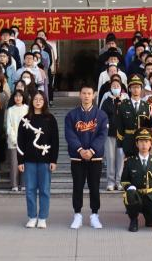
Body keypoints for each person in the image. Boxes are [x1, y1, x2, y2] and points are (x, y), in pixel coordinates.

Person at [65, 84, 108, 230]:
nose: (86, 96)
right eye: (84, 93)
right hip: (77, 157)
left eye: (89, 93)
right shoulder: (71, 115)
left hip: (95, 157)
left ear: (94, 95)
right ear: (80, 95)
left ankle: (94, 215)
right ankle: (77, 215)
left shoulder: (101, 115)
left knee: (94, 186)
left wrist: (92, 150)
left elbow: (102, 135)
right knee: (77, 186)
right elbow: (69, 134)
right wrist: (80, 150)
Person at [17, 91, 59, 228]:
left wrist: (53, 160)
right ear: (32, 101)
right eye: (35, 99)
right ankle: (32, 217)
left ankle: (42, 217)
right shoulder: (25, 119)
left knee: (44, 190)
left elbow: (55, 141)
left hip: (45, 160)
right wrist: (20, 161)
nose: (38, 101)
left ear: (45, 101)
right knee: (30, 190)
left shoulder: (50, 119)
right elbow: (20, 141)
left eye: (41, 99)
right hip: (29, 160)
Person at [121, 128, 152, 232]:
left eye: (146, 141)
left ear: (150, 143)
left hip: (151, 197)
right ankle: (133, 220)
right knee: (130, 194)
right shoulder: (130, 162)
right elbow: (124, 180)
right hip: (136, 196)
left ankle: (148, 215)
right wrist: (130, 187)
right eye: (141, 141)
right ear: (137, 144)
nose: (144, 145)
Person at [115, 76, 152, 158]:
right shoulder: (123, 105)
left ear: (141, 89)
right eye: (133, 87)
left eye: (138, 87)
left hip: (142, 143)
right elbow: (120, 127)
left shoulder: (147, 106)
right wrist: (120, 145)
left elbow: (150, 127)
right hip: (128, 142)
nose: (136, 89)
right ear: (129, 89)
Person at [100, 76, 125, 191]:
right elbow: (102, 116)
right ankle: (110, 182)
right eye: (113, 86)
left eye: (118, 86)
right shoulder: (107, 101)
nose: (116, 88)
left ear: (121, 88)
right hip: (109, 134)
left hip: (122, 134)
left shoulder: (125, 100)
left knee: (120, 159)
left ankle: (119, 181)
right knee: (110, 158)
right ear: (110, 88)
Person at [5, 90, 28, 191]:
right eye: (16, 96)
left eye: (20, 96)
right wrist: (15, 139)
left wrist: (24, 139)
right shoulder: (10, 110)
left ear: (23, 97)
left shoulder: (27, 109)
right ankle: (14, 184)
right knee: (14, 163)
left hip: (26, 141)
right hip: (13, 141)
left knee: (25, 163)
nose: (18, 98)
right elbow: (9, 126)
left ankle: (24, 184)